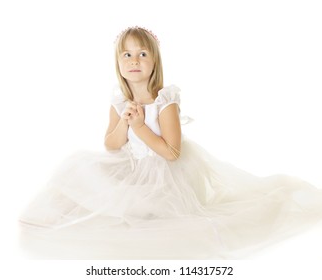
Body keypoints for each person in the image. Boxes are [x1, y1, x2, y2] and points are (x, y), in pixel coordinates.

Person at [19, 26, 322, 259]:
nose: (134, 60)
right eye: (127, 54)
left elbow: (172, 152)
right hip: (129, 168)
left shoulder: (165, 101)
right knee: (77, 169)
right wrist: (125, 122)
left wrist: (140, 126)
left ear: (154, 61)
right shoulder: (119, 100)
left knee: (149, 216)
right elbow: (111, 145)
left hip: (163, 176)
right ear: (118, 63)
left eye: (142, 54)